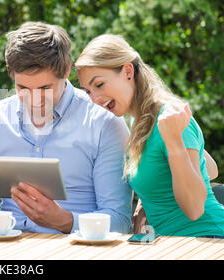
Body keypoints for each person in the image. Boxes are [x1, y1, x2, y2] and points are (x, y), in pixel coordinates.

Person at [0, 22, 133, 234]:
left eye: (45, 88)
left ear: (66, 70)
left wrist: (65, 221)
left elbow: (120, 221)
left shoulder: (104, 123)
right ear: (11, 74)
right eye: (23, 88)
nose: (34, 100)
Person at [75, 34, 224, 238]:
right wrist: (147, 197)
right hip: (169, 243)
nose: (95, 99)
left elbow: (195, 209)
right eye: (88, 91)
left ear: (128, 71)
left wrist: (175, 145)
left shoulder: (171, 118)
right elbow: (209, 168)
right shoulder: (140, 122)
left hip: (207, 239)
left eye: (99, 85)